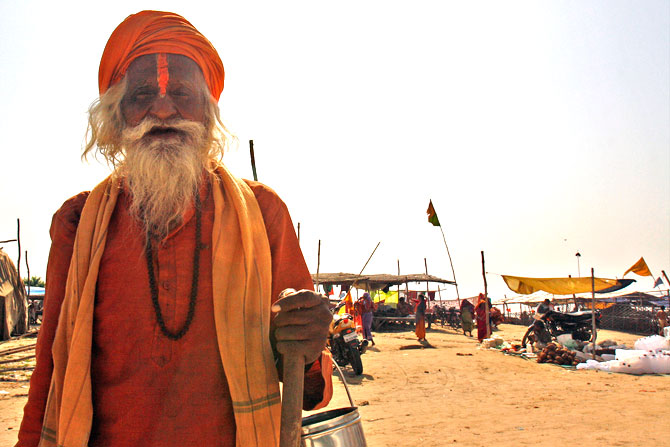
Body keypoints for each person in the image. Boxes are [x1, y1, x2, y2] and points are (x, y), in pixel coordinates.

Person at [16, 11, 332, 447]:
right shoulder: (76, 223)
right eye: (142, 93)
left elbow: (307, 385)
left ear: (209, 112)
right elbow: (49, 373)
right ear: (116, 115)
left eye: (182, 93)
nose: (163, 108)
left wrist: (307, 343)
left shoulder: (263, 213)